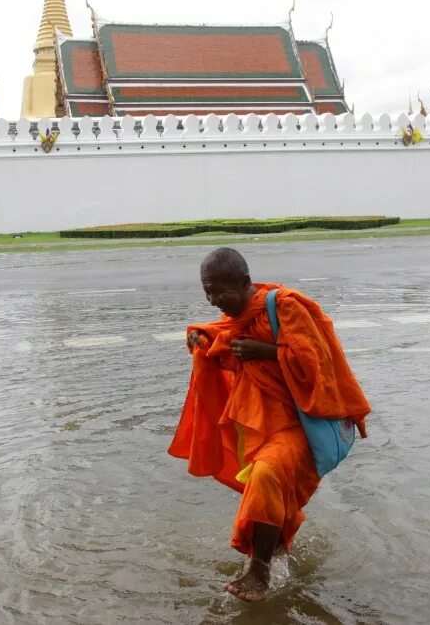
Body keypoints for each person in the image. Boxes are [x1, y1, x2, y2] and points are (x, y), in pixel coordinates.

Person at [168, 247, 371, 602]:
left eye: (220, 292)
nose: (214, 301)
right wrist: (201, 339)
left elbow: (318, 364)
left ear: (245, 283)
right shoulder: (239, 316)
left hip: (300, 423)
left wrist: (268, 351)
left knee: (265, 475)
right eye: (208, 293)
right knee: (267, 488)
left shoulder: (285, 307)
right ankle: (278, 561)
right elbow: (228, 344)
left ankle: (259, 572)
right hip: (260, 423)